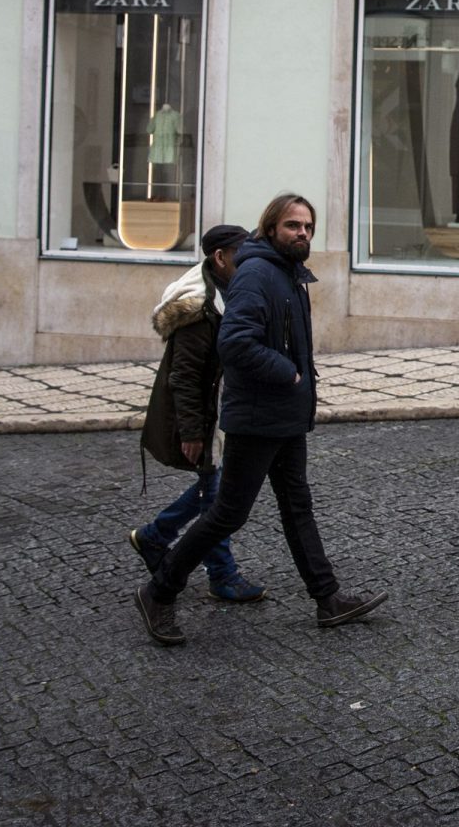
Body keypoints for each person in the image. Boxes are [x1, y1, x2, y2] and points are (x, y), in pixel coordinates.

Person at [134, 193, 387, 646]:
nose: (303, 233)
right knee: (226, 514)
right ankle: (158, 591)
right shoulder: (256, 273)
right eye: (293, 226)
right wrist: (286, 371)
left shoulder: (287, 273)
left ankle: (327, 599)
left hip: (285, 416)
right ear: (270, 228)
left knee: (297, 508)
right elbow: (235, 342)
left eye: (308, 227)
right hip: (257, 417)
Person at [127, 223, 265, 603]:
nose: (250, 262)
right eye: (243, 256)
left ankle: (155, 536)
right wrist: (192, 432)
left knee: (215, 488)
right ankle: (222, 574)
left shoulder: (231, 290)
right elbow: (183, 378)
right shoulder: (198, 307)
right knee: (216, 496)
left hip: (224, 409)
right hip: (205, 415)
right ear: (220, 259)